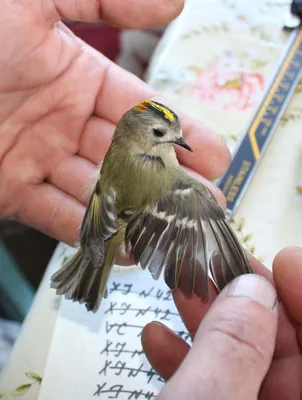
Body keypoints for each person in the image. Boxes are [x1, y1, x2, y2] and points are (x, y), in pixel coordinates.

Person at [0, 0, 301, 398]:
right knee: (203, 199)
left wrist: (98, 235)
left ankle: (88, 269)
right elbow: (192, 226)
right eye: (162, 135)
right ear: (141, 137)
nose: (176, 141)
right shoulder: (168, 179)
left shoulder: (120, 149)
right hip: (111, 224)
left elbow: (102, 196)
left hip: (101, 220)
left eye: (173, 133)